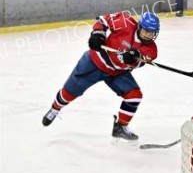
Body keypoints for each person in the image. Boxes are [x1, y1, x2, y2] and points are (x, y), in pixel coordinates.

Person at [41, 12, 160, 141]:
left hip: (116, 72)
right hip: (94, 62)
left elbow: (138, 63)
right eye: (146, 31)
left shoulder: (152, 50)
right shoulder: (125, 22)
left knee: (134, 96)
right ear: (139, 26)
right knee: (68, 92)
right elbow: (104, 20)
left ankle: (120, 127)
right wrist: (98, 34)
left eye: (152, 33)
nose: (148, 35)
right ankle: (55, 109)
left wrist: (133, 59)